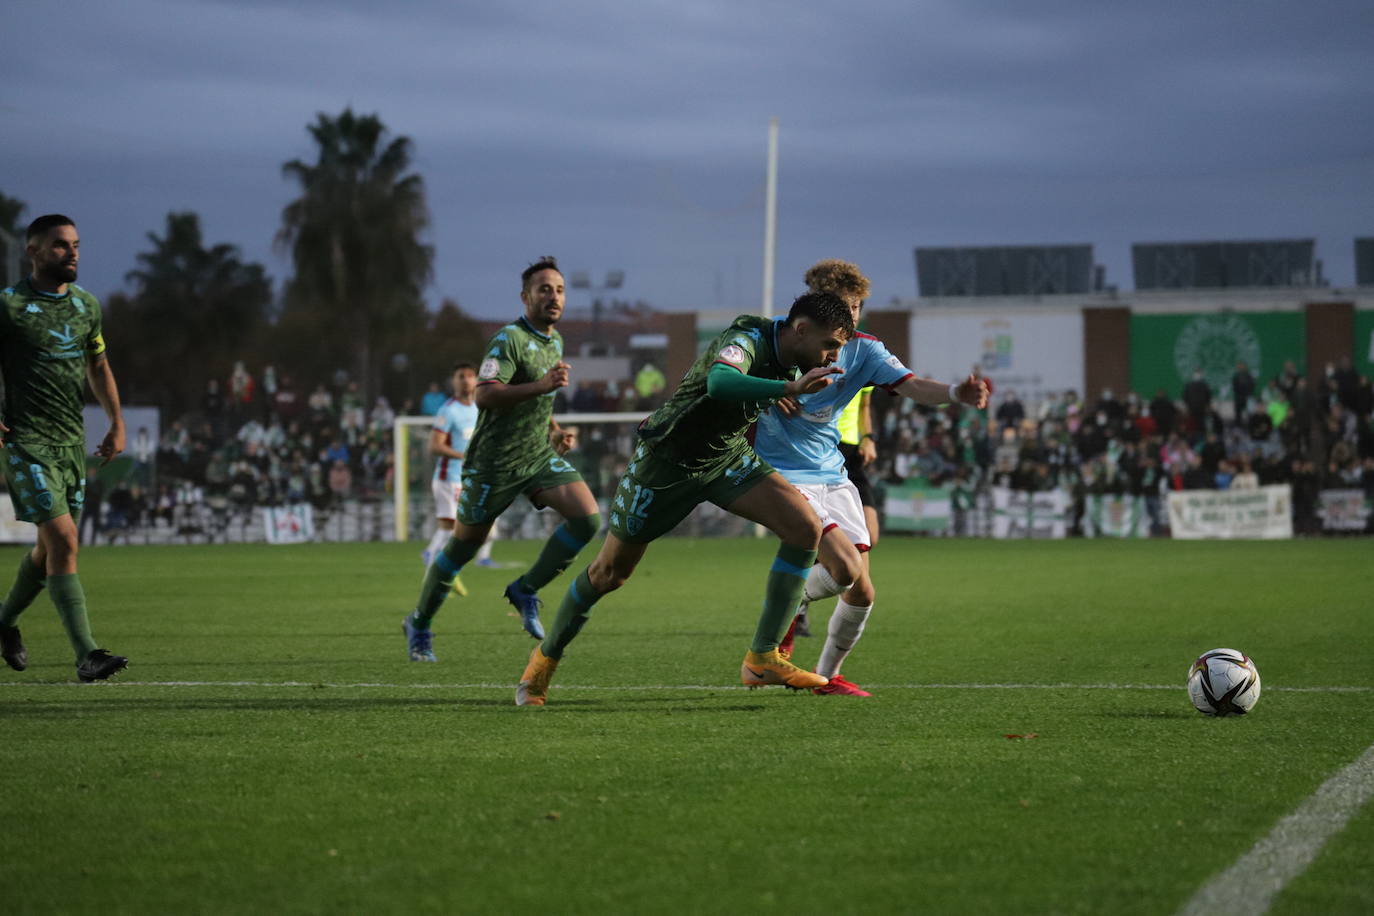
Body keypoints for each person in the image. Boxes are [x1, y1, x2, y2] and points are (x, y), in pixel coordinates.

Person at [514, 290, 857, 706]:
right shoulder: (747, 337)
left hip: (725, 457)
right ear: (801, 330)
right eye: (829, 346)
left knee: (806, 528)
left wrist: (778, 387)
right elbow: (719, 381)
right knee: (609, 574)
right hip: (665, 465)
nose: (831, 358)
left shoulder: (790, 357)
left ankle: (763, 657)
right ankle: (543, 661)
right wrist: (787, 385)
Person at [756, 259, 988, 696]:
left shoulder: (866, 349)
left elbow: (913, 386)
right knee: (843, 568)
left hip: (832, 469)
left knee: (862, 590)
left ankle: (825, 675)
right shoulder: (774, 338)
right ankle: (786, 616)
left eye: (859, 306)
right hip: (783, 473)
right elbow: (726, 375)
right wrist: (769, 389)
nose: (853, 315)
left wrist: (957, 393)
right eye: (845, 305)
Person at [402, 257, 601, 662]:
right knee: (462, 548)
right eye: (544, 289)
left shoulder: (554, 341)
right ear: (525, 296)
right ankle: (419, 623)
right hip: (492, 465)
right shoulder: (507, 339)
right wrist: (543, 384)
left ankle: (525, 589)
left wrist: (554, 430)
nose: (554, 297)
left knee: (588, 519)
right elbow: (486, 394)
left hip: (536, 457)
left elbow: (540, 398)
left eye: (560, 290)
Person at [0, 214, 128, 681]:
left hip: (70, 444)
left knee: (47, 552)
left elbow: (99, 365)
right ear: (33, 252)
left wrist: (116, 421)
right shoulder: (9, 306)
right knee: (65, 541)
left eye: (75, 244)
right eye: (59, 245)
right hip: (24, 441)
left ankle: (3, 623)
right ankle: (87, 654)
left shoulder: (86, 307)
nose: (71, 252)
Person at [416, 362, 497, 613]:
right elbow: (435, 446)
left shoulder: (478, 408)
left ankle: (440, 568)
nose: (466, 380)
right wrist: (464, 456)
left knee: (473, 530)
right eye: (460, 376)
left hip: (469, 479)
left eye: (470, 376)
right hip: (447, 478)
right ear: (453, 381)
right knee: (450, 529)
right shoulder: (447, 410)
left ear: (476, 380)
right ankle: (433, 570)